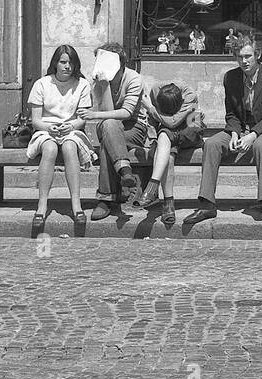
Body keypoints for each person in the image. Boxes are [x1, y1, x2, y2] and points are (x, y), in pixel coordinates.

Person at [186, 36, 262, 226]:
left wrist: (252, 134)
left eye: (248, 56)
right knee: (212, 144)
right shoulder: (231, 78)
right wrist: (234, 133)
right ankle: (207, 204)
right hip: (240, 128)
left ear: (257, 55)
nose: (244, 61)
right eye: (240, 57)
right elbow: (231, 113)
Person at [25, 44, 94, 236]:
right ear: (55, 63)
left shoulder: (82, 84)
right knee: (50, 150)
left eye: (71, 62)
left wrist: (70, 126)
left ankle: (76, 204)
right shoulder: (42, 84)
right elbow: (36, 120)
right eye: (63, 62)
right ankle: (42, 205)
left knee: (70, 148)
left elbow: (82, 117)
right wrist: (50, 128)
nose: (67, 66)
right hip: (46, 129)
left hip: (71, 129)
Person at [89, 42, 147, 221]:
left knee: (107, 144)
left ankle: (105, 200)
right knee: (109, 126)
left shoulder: (133, 78)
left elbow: (127, 112)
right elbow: (107, 116)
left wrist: (94, 115)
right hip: (108, 127)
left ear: (120, 64)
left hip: (134, 127)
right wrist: (104, 85)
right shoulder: (98, 82)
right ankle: (125, 172)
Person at [135, 80, 204, 228]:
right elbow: (152, 120)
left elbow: (173, 122)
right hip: (167, 136)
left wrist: (152, 109)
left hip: (190, 128)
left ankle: (152, 188)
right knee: (168, 155)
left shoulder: (189, 95)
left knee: (165, 133)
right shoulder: (155, 91)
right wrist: (153, 138)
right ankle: (168, 203)